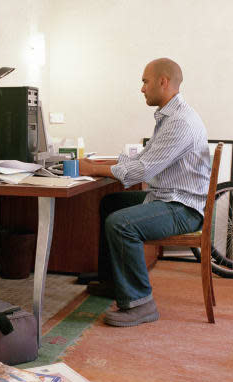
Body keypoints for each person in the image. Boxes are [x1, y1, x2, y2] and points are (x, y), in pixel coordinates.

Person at [78, 58, 210, 327]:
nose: (142, 89)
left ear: (163, 82)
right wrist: (101, 164)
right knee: (111, 203)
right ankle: (114, 282)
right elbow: (142, 161)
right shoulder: (170, 116)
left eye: (145, 81)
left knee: (120, 223)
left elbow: (142, 172)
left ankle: (141, 304)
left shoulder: (180, 122)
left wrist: (93, 167)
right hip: (169, 196)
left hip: (183, 208)